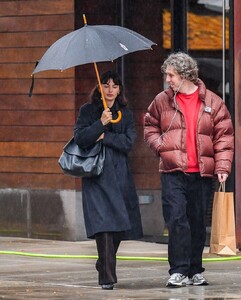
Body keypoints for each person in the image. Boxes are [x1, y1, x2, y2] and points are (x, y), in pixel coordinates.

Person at [144, 52, 234, 287]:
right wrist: (161, 147)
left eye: (171, 75)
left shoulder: (213, 103)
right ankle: (178, 270)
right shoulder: (162, 100)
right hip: (173, 171)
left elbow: (224, 137)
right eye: (167, 74)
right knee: (176, 220)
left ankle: (195, 269)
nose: (168, 80)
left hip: (201, 174)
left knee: (196, 222)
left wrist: (223, 166)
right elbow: (149, 125)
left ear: (186, 75)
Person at [74, 70, 143, 290]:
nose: (110, 90)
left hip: (120, 174)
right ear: (99, 87)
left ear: (120, 89)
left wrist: (106, 136)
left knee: (120, 226)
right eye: (106, 85)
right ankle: (107, 278)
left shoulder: (126, 113)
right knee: (104, 226)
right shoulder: (88, 111)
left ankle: (103, 262)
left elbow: (129, 142)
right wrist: (99, 124)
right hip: (97, 175)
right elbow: (81, 139)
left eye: (115, 86)